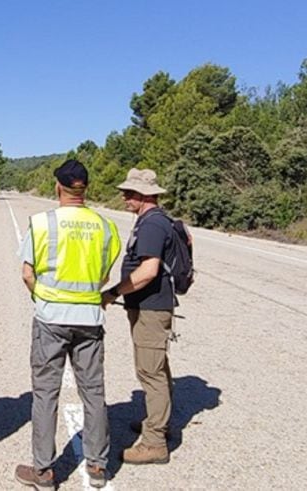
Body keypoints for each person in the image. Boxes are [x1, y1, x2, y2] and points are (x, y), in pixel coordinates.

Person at [14, 159, 121, 490]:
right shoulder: (105, 227)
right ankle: (98, 465)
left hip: (51, 318)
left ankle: (44, 471)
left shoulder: (43, 223)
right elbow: (103, 276)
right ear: (85, 189)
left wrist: (42, 298)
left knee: (46, 392)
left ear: (57, 186)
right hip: (89, 318)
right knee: (94, 391)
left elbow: (27, 273)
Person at [101, 167, 176, 465]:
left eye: (129, 193)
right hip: (149, 306)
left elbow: (148, 271)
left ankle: (155, 441)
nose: (123, 197)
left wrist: (113, 292)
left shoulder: (152, 225)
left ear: (144, 195)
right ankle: (158, 422)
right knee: (157, 367)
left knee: (150, 372)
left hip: (151, 308)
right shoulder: (153, 221)